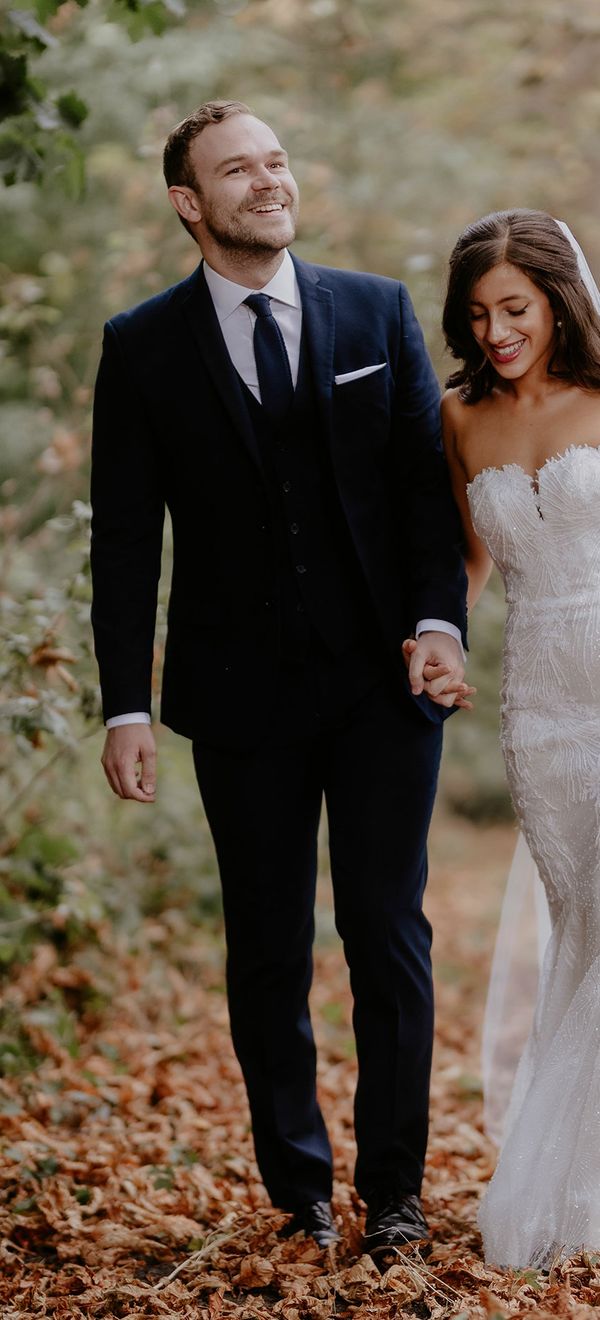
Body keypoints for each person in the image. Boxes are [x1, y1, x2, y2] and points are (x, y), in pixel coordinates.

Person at [90, 99, 469, 1258]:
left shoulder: (374, 310)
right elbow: (125, 537)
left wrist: (436, 622)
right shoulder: (141, 345)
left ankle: (394, 1194)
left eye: (276, 160)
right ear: (188, 204)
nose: (268, 180)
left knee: (387, 937)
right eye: (236, 170)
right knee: (266, 947)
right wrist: (125, 700)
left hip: (379, 686)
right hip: (237, 696)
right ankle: (300, 1191)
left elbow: (421, 492)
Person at [441, 207, 600, 1269]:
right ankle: (580, 1194)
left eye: (516, 309)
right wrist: (437, 641)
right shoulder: (460, 421)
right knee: (583, 934)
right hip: (539, 711)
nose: (499, 331)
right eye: (480, 315)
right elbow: (463, 569)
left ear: (556, 300)